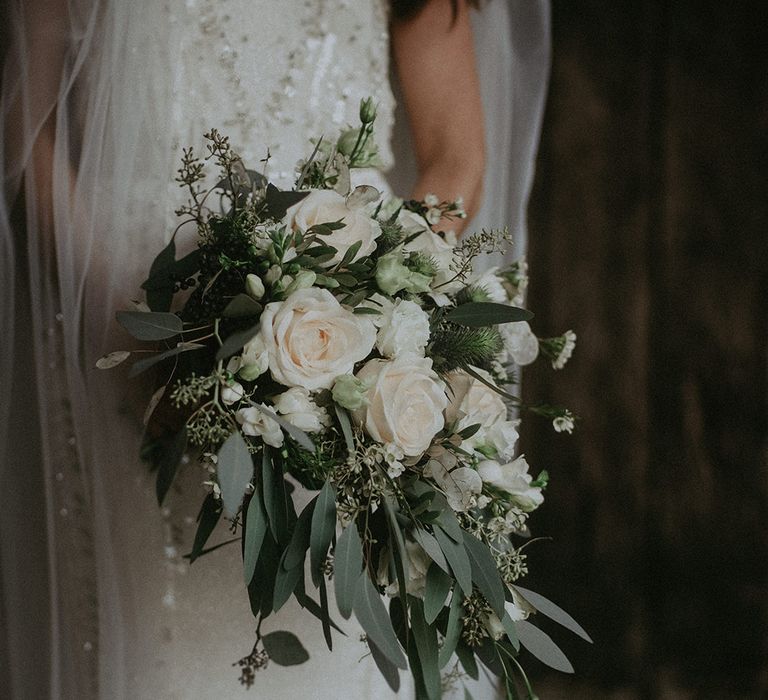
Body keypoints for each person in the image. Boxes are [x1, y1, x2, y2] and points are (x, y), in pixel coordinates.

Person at [0, 1, 550, 697]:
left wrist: (378, 304)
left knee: (339, 634)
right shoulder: (127, 323)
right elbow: (27, 123)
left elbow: (456, 151)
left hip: (349, 333)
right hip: (134, 313)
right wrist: (125, 322)